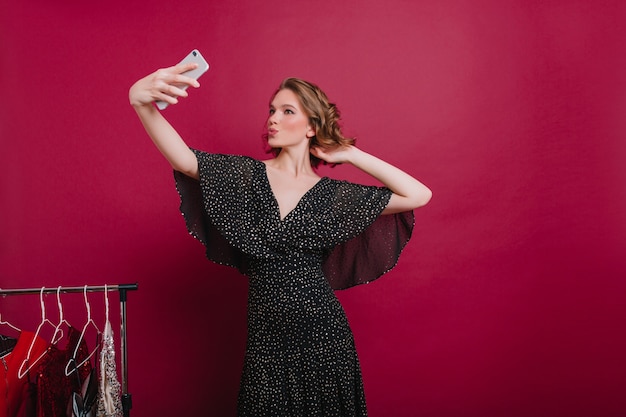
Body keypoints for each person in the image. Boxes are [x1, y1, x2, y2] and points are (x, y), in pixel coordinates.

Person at [129, 61, 432, 417]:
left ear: (311, 126)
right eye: (272, 110)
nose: (272, 118)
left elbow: (418, 195)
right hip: (266, 341)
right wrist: (140, 103)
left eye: (287, 111)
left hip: (324, 336)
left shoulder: (333, 195)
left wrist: (350, 154)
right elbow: (185, 161)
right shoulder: (246, 177)